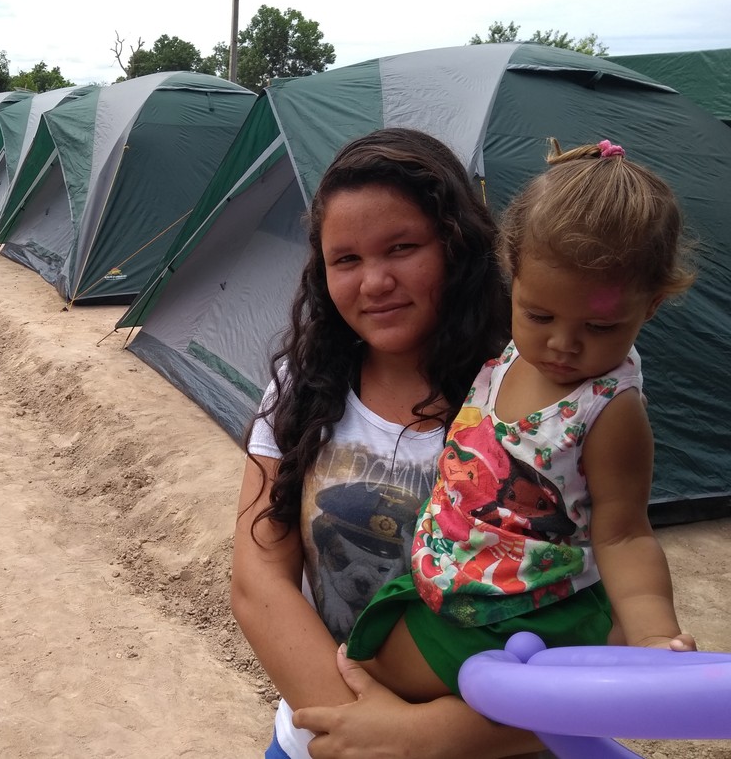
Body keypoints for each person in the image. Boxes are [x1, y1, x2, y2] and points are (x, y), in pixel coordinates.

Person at [342, 138, 697, 706]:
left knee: (386, 685)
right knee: (364, 661)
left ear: (650, 306)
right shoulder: (512, 353)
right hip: (457, 575)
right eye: (539, 314)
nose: (562, 344)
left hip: (525, 606)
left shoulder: (608, 409)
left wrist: (651, 635)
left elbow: (626, 533)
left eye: (599, 328)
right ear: (513, 273)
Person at [231, 128, 548, 759]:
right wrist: (364, 734)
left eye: (402, 248)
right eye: (345, 259)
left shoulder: (537, 393)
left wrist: (427, 738)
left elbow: (601, 610)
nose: (373, 282)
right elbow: (258, 577)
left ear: (457, 246)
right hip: (326, 740)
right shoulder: (301, 387)